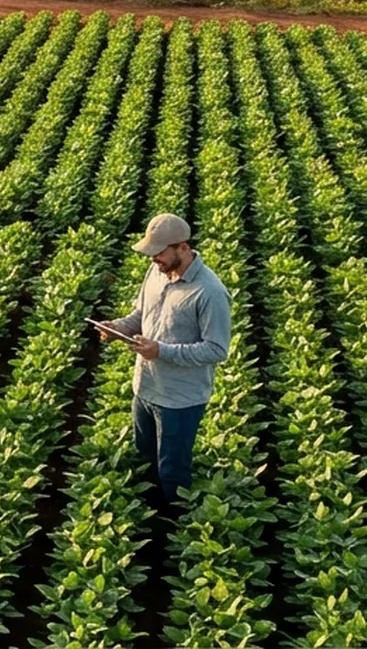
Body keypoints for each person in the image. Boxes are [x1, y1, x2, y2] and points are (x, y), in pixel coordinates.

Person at [95, 212, 232, 512]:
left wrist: (162, 351)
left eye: (158, 252)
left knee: (172, 469)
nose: (153, 258)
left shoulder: (209, 292)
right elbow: (140, 316)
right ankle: (146, 514)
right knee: (144, 457)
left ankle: (173, 527)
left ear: (182, 247)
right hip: (145, 388)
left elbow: (217, 350)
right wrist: (118, 328)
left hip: (179, 399)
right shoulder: (156, 273)